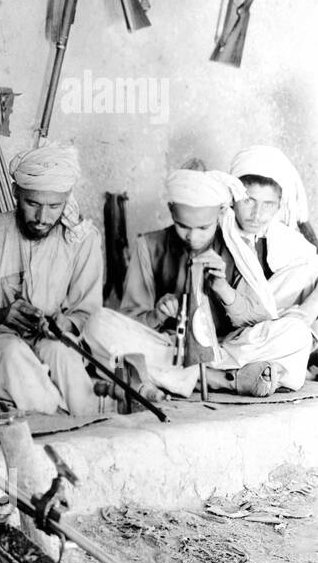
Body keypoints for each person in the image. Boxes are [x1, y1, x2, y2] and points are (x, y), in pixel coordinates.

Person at [84, 167, 313, 397]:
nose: (193, 237)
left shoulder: (236, 246)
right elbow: (130, 318)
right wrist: (159, 314)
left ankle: (180, 375)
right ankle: (222, 380)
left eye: (204, 228)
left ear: (220, 214)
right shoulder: (150, 245)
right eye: (183, 226)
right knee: (97, 324)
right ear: (172, 212)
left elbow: (259, 319)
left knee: (297, 333)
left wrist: (224, 289)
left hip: (226, 348)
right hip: (170, 346)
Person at [0, 144, 102, 415]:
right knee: (13, 352)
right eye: (33, 204)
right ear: (16, 193)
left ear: (67, 199)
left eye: (54, 206)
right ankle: (52, 423)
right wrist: (1, 315)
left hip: (49, 338)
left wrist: (64, 323)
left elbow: (86, 312)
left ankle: (87, 425)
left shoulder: (82, 240)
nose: (43, 218)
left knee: (62, 355)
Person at [228, 146, 318, 350]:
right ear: (233, 197)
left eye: (268, 204)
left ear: (279, 205)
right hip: (241, 332)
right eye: (248, 200)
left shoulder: (285, 238)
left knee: (308, 271)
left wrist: (307, 311)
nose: (257, 214)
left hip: (285, 326)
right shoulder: (221, 234)